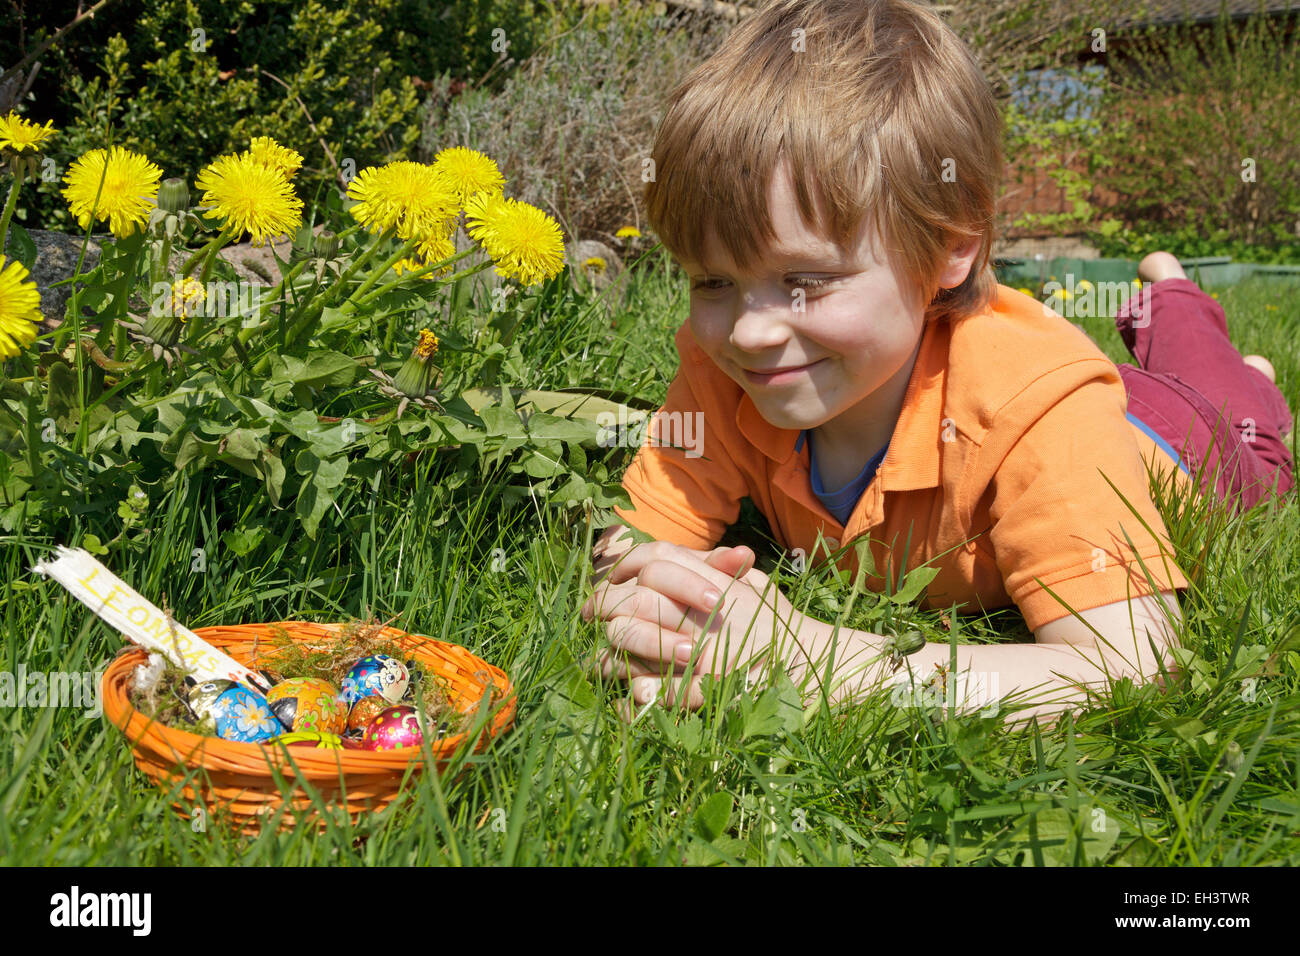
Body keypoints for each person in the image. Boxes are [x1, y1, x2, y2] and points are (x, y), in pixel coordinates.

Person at [578, 0, 1293, 724]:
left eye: (807, 281)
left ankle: (1183, 303)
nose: (751, 331)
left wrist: (810, 660)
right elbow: (634, 541)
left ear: (953, 247)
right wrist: (658, 600)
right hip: (1110, 407)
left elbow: (1131, 667)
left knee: (1230, 396)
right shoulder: (722, 363)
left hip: (1187, 438)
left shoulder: (1039, 407)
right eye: (712, 282)